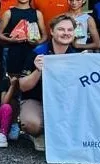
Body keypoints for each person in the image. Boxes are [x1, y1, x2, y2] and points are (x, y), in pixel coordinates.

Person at [18, 15, 80, 151]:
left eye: (70, 30)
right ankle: (37, 134)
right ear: (52, 31)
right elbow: (23, 86)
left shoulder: (76, 56)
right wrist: (38, 71)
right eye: (61, 29)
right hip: (36, 99)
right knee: (31, 123)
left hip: (64, 102)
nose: (66, 33)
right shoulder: (38, 52)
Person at [0, 0, 47, 76]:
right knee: (14, 82)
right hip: (14, 53)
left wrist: (37, 42)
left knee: (32, 82)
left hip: (33, 53)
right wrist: (11, 40)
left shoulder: (37, 13)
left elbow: (45, 36)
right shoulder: (9, 13)